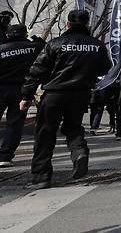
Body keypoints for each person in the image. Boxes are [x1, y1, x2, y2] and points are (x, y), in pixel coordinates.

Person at [20, 10, 112, 189]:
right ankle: (79, 153)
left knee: (45, 133)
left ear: (68, 23)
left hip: (55, 93)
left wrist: (26, 95)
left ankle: (41, 176)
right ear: (87, 25)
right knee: (73, 127)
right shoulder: (97, 45)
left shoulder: (55, 44)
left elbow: (37, 71)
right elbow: (104, 69)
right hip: (81, 94)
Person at [0, 24, 44, 168]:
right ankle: (5, 156)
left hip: (2, 87)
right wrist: (34, 38)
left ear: (8, 35)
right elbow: (46, 48)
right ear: (25, 35)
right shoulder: (34, 48)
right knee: (15, 123)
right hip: (23, 89)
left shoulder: (2, 49)